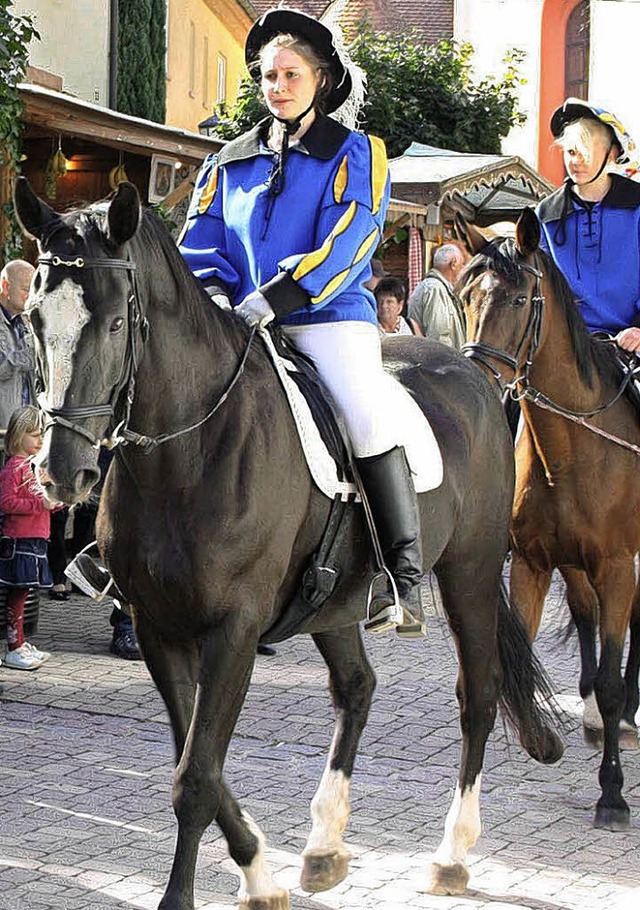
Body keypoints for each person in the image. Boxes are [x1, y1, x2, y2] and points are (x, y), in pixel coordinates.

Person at [178, 6, 427, 638]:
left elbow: (353, 236)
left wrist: (280, 297)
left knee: (364, 414)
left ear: (320, 79)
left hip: (324, 317)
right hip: (235, 321)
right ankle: (126, 546)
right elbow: (198, 243)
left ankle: (401, 574)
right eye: (267, 75)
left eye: (290, 74)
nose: (277, 86)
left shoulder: (356, 152)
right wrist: (212, 300)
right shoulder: (225, 164)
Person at [537, 98, 640, 351]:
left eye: (585, 152)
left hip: (632, 339)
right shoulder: (546, 213)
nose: (576, 161)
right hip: (567, 344)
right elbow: (540, 283)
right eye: (571, 152)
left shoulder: (637, 205)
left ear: (612, 154)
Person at [0, 406, 54, 670]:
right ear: (18, 435)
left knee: (24, 591)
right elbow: (7, 502)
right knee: (18, 593)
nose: (40, 440)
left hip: (36, 537)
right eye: (34, 435)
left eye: (41, 434)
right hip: (19, 540)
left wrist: (55, 502)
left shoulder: (33, 466)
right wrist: (40, 506)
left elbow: (41, 499)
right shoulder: (13, 468)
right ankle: (14, 646)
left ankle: (19, 642)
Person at [407, 244, 467, 348]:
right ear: (453, 264)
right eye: (462, 265)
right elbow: (438, 338)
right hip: (444, 362)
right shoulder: (435, 289)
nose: (463, 270)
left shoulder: (440, 288)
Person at [0, 260, 36, 432]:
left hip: (27, 434)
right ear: (6, 287)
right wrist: (31, 348)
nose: (32, 297)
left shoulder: (27, 322)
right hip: (3, 431)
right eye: (27, 290)